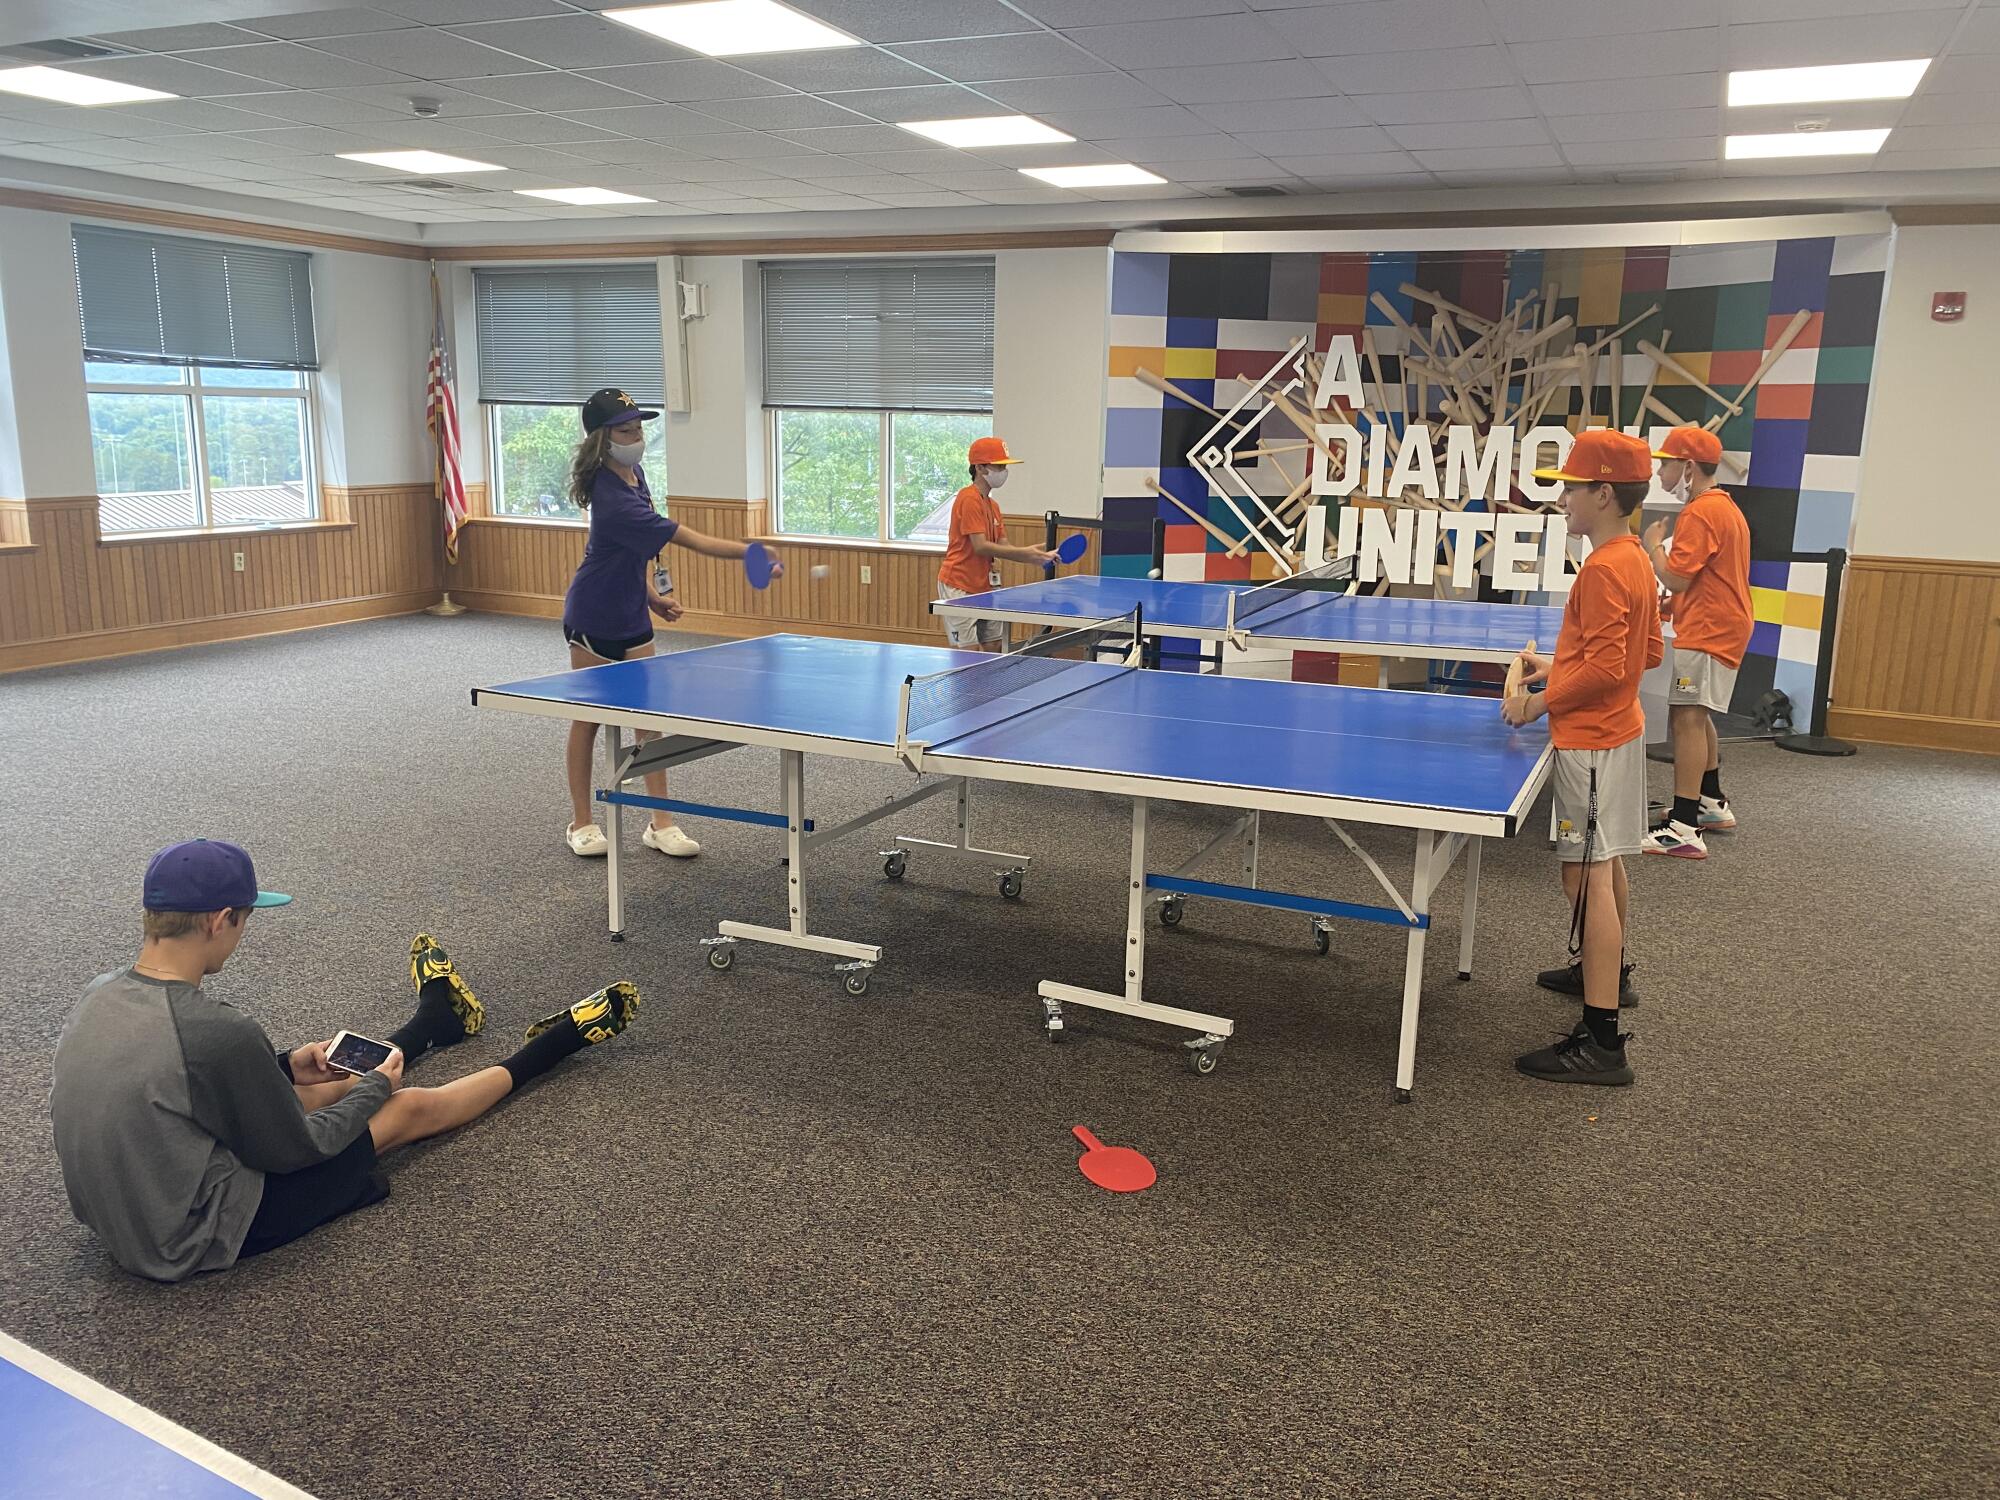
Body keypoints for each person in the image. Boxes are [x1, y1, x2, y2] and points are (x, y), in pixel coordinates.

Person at [49, 839, 640, 1282]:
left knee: (309, 1088)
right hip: (188, 1237)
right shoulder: (215, 1030)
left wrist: (283, 1066)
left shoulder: (101, 992)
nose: (243, 934)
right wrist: (373, 1094)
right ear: (218, 920)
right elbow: (301, 1150)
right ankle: (554, 1044)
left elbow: (172, 1078)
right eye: (246, 920)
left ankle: (436, 1024)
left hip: (126, 1215)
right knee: (402, 1109)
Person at [1505, 430, 1664, 1085]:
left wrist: (1537, 703)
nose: (1564, 498)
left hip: (1592, 742)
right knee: (1608, 865)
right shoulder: (1634, 560)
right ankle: (1607, 973)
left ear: (1604, 493)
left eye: (1573, 486)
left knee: (1585, 879)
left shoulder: (1601, 568)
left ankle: (1602, 1043)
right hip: (1620, 732)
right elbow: (1643, 654)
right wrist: (1560, 664)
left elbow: (1607, 663)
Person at [561, 387, 781, 858]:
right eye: (626, 430)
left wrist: (652, 598)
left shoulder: (632, 473)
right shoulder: (612, 496)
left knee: (648, 721)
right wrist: (752, 552)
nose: (636, 436)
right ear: (603, 438)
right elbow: (691, 540)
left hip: (631, 611)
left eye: (639, 428)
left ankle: (660, 824)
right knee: (589, 718)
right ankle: (581, 821)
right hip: (593, 615)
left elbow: (627, 552)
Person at [1641, 425, 1753, 860]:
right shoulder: (1723, 508)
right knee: (1697, 714)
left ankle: (1684, 828)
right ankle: (1710, 802)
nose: (1660, 471)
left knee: (1684, 719)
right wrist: (1672, 607)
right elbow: (1706, 580)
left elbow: (1676, 577)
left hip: (1711, 630)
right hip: (1720, 623)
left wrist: (1652, 548)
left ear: (1688, 467)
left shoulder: (1701, 512)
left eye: (1666, 463)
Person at [937, 437, 1058, 651]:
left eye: (1004, 466)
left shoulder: (993, 505)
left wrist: (1035, 555)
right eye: (999, 465)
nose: (1004, 471)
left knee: (994, 647)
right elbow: (981, 546)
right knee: (969, 652)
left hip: (986, 587)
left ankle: (989, 687)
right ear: (980, 467)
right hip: (959, 585)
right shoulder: (968, 499)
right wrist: (1025, 552)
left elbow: (1004, 546)